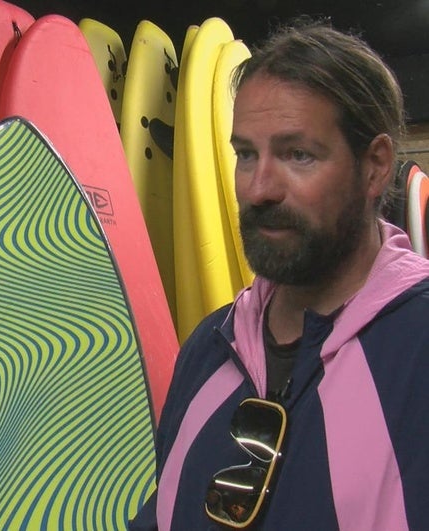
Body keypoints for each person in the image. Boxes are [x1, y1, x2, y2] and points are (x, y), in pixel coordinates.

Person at [130, 18, 429, 530]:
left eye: (298, 154)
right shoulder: (208, 346)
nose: (258, 188)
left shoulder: (417, 348)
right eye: (246, 154)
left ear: (375, 167)